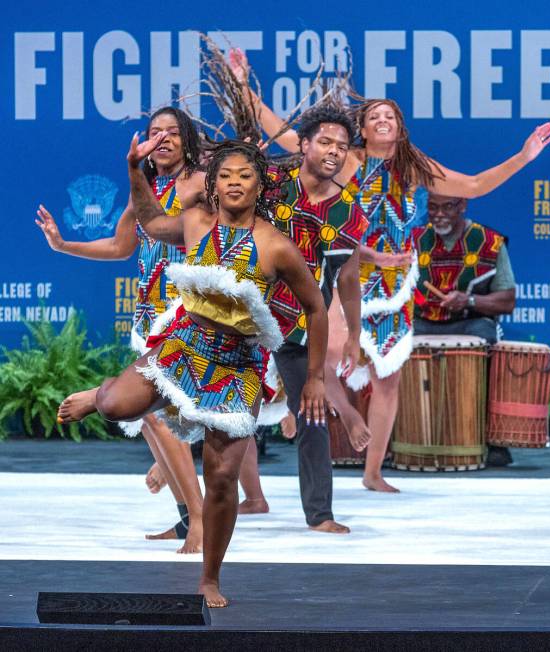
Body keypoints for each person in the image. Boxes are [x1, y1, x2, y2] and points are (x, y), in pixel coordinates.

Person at [229, 47, 550, 489]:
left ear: (400, 127)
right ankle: (308, 407)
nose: (383, 121)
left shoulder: (416, 169)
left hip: (394, 286)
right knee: (323, 357)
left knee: (388, 378)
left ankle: (373, 472)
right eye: (374, 116)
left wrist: (524, 156)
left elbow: (476, 185)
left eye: (391, 116)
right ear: (361, 128)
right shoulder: (346, 161)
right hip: (344, 276)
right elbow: (283, 133)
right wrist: (243, 82)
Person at [95, 134, 329, 608]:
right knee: (113, 405)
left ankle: (209, 579)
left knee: (221, 478)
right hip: (186, 345)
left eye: (245, 176)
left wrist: (318, 376)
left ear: (260, 185)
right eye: (226, 176)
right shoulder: (195, 223)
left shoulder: (276, 246)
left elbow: (316, 308)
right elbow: (149, 220)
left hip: (238, 366)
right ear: (214, 186)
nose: (236, 183)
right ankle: (99, 392)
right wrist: (136, 172)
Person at [35, 107, 206, 552]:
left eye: (173, 131)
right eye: (155, 132)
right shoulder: (143, 191)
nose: (164, 138)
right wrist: (63, 244)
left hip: (190, 312)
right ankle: (189, 518)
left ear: (188, 140)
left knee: (158, 415)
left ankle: (202, 522)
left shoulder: (200, 184)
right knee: (153, 420)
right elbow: (120, 245)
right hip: (153, 312)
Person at [267, 105, 370, 533]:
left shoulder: (350, 213)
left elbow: (347, 277)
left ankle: (320, 513)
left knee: (311, 414)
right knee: (216, 410)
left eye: (342, 147)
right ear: (303, 144)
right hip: (245, 320)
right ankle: (192, 509)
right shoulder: (270, 186)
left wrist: (354, 332)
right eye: (325, 142)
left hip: (298, 329)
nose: (334, 152)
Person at [413, 192, 516, 466]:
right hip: (423, 321)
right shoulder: (414, 240)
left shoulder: (489, 242)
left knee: (487, 340)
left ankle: (493, 439)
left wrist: (469, 300)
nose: (438, 214)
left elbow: (507, 300)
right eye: (433, 207)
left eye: (447, 207)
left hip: (470, 321)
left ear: (463, 205)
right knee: (392, 348)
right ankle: (395, 437)